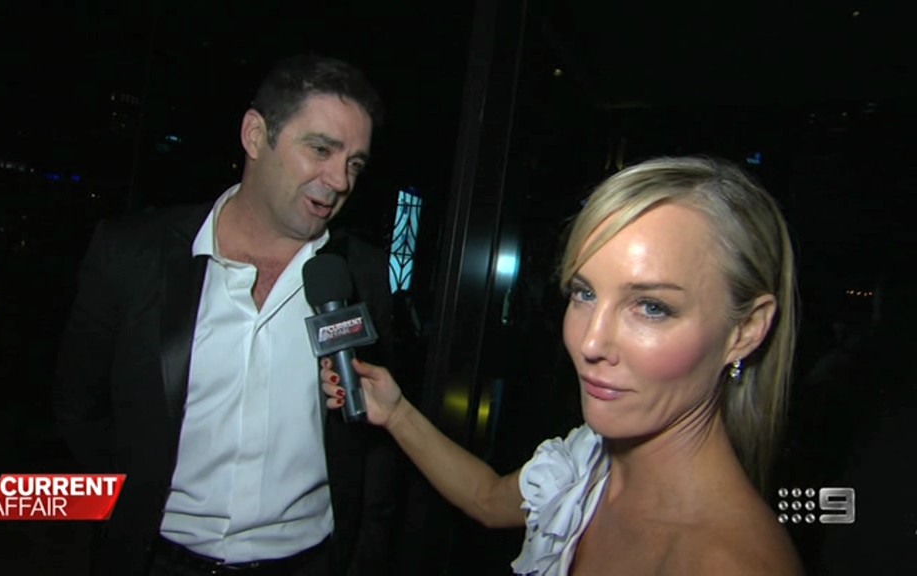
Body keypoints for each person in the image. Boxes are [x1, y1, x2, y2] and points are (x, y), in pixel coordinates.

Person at [321, 156, 804, 575]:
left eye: (651, 307)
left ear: (745, 331)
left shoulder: (730, 564)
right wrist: (396, 412)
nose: (590, 342)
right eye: (584, 293)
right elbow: (488, 498)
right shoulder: (588, 459)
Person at [54, 54, 399, 576]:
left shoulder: (360, 275)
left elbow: (376, 445)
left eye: (354, 163)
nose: (339, 179)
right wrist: (132, 512)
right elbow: (80, 407)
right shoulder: (134, 254)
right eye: (321, 149)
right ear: (255, 135)